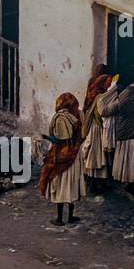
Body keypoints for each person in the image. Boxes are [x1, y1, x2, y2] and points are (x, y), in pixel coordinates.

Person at [39, 92, 86, 225]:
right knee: (72, 185)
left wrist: (47, 138)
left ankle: (59, 218)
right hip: (75, 156)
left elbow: (62, 140)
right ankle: (71, 216)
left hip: (62, 157)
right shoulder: (79, 114)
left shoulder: (60, 118)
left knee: (60, 185)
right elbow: (83, 134)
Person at [99, 79, 134, 194]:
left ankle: (129, 183)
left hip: (126, 134)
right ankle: (133, 184)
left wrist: (109, 92)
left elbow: (104, 111)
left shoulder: (126, 95)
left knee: (127, 162)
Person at [80, 64, 113, 191]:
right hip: (97, 128)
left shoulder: (93, 93)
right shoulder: (100, 97)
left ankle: (92, 182)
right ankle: (95, 183)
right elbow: (101, 113)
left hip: (93, 126)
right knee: (96, 155)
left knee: (93, 155)